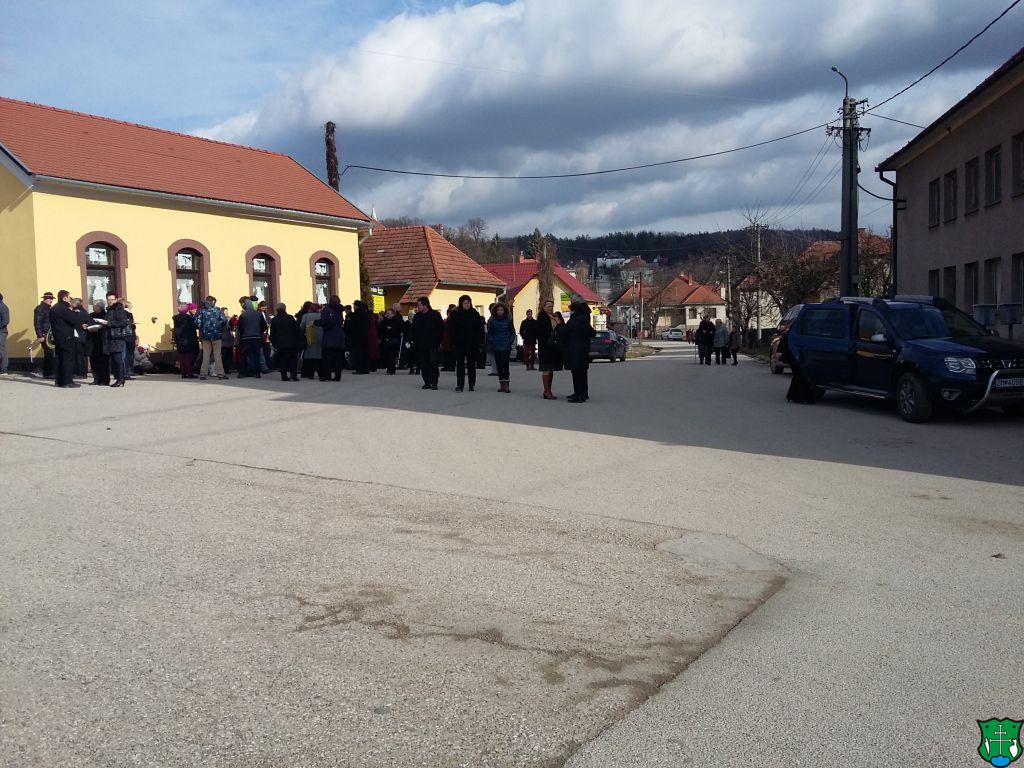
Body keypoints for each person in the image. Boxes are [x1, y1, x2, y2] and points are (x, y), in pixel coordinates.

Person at [557, 297, 597, 403]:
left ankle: (579, 395)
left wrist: (559, 324)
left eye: (571, 302)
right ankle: (583, 393)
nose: (570, 304)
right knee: (582, 372)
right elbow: (592, 333)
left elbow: (564, 331)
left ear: (576, 304)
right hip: (584, 348)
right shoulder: (585, 316)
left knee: (576, 372)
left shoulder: (576, 319)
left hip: (574, 349)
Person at [48, 290, 87, 388]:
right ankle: (67, 381)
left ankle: (59, 381)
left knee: (60, 359)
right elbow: (73, 319)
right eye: (69, 297)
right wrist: (73, 311)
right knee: (68, 359)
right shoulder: (64, 308)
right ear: (65, 298)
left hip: (58, 337)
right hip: (67, 337)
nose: (70, 300)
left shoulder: (54, 308)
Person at [449, 295, 484, 392]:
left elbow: (480, 329)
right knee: (460, 365)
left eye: (468, 303)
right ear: (461, 304)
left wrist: (480, 342)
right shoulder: (456, 314)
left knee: (471, 365)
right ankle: (460, 385)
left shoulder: (475, 314)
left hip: (472, 343)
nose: (467, 305)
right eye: (465, 303)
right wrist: (453, 341)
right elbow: (452, 329)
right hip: (460, 343)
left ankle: (471, 384)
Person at [778, 329, 819, 404]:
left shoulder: (792, 332)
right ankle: (803, 397)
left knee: (798, 376)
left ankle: (795, 396)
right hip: (796, 356)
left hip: (794, 356)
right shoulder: (796, 332)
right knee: (800, 376)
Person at [411, 296, 444, 390]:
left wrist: (438, 340)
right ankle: (427, 382)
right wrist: (412, 340)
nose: (418, 307)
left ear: (425, 305)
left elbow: (441, 328)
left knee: (433, 362)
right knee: (423, 364)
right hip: (421, 345)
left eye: (419, 305)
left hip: (433, 344)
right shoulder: (417, 316)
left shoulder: (435, 315)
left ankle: (434, 382)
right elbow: (413, 329)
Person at [195, 296, 228, 380]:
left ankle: (203, 374)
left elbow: (197, 322)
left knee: (206, 355)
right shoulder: (218, 310)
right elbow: (224, 320)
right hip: (217, 335)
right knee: (217, 355)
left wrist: (202, 328)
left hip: (205, 336)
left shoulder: (202, 311)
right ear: (213, 302)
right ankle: (221, 374)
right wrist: (219, 326)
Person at [536, 299, 563, 400]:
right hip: (545, 347)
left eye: (552, 306)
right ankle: (547, 391)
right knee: (546, 369)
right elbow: (541, 332)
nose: (551, 308)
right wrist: (552, 334)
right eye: (548, 306)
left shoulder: (555, 316)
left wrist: (559, 322)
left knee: (551, 370)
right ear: (543, 307)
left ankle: (548, 390)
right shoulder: (541, 317)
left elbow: (562, 328)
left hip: (554, 347)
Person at [487, 302, 516, 393]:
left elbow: (512, 332)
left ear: (504, 310)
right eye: (498, 310)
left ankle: (507, 385)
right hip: (496, 345)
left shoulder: (508, 319)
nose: (500, 311)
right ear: (495, 311)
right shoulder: (492, 320)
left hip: (506, 345)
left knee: (505, 365)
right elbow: (490, 332)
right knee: (499, 365)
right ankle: (501, 384)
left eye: (501, 310)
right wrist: (492, 341)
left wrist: (509, 342)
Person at [315, 295, 346, 381]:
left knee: (327, 358)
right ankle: (337, 376)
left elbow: (323, 321)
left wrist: (315, 322)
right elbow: (340, 321)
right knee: (338, 358)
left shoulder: (327, 309)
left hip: (329, 337)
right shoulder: (340, 310)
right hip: (339, 337)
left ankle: (327, 376)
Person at [103, 295, 131, 387]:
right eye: (108, 299)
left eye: (112, 299)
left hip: (117, 337)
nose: (110, 301)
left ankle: (121, 379)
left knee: (118, 359)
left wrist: (109, 323)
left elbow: (123, 322)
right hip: (111, 337)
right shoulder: (109, 309)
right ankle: (119, 378)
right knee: (114, 360)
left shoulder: (118, 309)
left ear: (115, 300)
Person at [269, 303, 302, 382]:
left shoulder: (274, 320)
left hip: (280, 344)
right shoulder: (290, 318)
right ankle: (293, 375)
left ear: (277, 310)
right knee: (293, 360)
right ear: (285, 309)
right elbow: (296, 330)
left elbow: (273, 333)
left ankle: (284, 376)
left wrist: (274, 343)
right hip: (291, 342)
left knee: (282, 360)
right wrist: (298, 340)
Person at [236, 299, 267, 378]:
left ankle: (242, 372)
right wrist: (259, 332)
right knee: (256, 355)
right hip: (256, 337)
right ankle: (257, 373)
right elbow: (264, 326)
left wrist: (243, 333)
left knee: (244, 355)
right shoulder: (259, 314)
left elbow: (240, 327)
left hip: (245, 338)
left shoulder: (243, 315)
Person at [299, 304, 326, 380]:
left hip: (310, 337)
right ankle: (321, 374)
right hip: (320, 338)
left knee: (309, 356)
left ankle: (309, 374)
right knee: (319, 355)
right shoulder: (321, 316)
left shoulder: (306, 316)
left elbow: (301, 327)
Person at [172, 304, 199, 378]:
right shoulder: (189, 319)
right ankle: (189, 373)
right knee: (188, 357)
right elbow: (195, 326)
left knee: (182, 357)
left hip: (179, 340)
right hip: (188, 339)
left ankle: (183, 373)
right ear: (186, 310)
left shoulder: (176, 319)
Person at [345, 300, 372, 374]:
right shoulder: (366, 314)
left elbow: (350, 325)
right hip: (365, 336)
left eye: (354, 305)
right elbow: (369, 325)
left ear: (356, 306)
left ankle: (360, 369)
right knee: (365, 352)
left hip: (356, 337)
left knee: (358, 353)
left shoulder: (355, 314)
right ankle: (366, 369)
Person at [87, 300, 109, 385]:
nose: (93, 307)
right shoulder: (91, 315)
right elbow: (87, 323)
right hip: (92, 340)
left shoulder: (105, 315)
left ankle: (104, 380)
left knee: (103, 360)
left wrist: (100, 327)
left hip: (102, 340)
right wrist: (86, 326)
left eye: (95, 305)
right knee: (93, 360)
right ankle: (96, 378)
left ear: (100, 307)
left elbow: (107, 325)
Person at [33, 291, 55, 378]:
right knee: (49, 353)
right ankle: (48, 373)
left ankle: (48, 372)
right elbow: (37, 323)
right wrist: (40, 336)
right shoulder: (40, 309)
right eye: (49, 299)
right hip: (45, 335)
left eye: (52, 299)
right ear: (45, 299)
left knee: (50, 354)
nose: (51, 300)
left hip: (50, 334)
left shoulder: (49, 308)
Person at [378, 308, 403, 375]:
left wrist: (390, 331)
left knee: (392, 355)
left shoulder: (396, 321)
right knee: (386, 355)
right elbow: (380, 330)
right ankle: (388, 367)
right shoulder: (384, 321)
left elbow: (398, 331)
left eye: (389, 314)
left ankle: (391, 369)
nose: (387, 315)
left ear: (393, 314)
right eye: (387, 313)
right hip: (385, 340)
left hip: (393, 340)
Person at [72, 298, 90, 378]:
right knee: (80, 355)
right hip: (80, 336)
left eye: (73, 302)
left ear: (76, 304)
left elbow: (76, 322)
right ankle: (81, 372)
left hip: (80, 336)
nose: (71, 304)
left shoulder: (79, 312)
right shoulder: (81, 311)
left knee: (79, 355)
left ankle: (81, 373)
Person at [121, 299, 137, 379]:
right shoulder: (128, 313)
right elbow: (132, 326)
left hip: (125, 336)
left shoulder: (122, 313)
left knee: (126, 354)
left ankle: (127, 371)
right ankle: (129, 370)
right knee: (129, 354)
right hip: (129, 336)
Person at [220, 308, 236, 376]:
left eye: (227, 311)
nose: (227, 313)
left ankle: (227, 368)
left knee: (229, 355)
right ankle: (224, 369)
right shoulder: (221, 319)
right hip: (223, 340)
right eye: (225, 311)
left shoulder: (229, 319)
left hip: (229, 340)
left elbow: (232, 328)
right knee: (224, 356)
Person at [441, 306, 455, 372]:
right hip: (446, 339)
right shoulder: (447, 320)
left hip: (450, 339)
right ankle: (446, 366)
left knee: (451, 353)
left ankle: (451, 367)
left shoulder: (452, 320)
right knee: (446, 353)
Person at [0, 291, 8, 375]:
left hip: (1, 331)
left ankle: (4, 369)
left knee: (2, 350)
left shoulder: (3, 307)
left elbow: (6, 321)